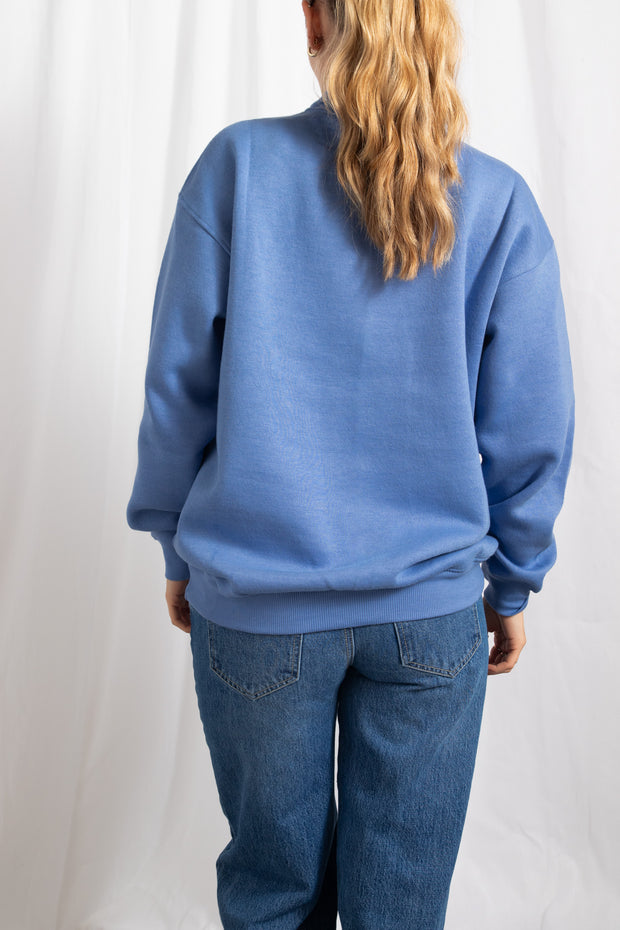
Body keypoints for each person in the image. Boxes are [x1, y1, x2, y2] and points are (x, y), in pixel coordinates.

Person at [126, 0, 575, 926]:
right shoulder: (497, 202)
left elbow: (177, 390)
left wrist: (177, 547)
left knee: (273, 894)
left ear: (312, 22)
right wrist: (513, 583)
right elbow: (532, 426)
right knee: (399, 908)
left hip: (257, 606)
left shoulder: (237, 169)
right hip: (430, 617)